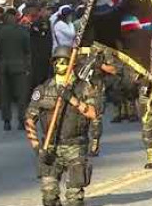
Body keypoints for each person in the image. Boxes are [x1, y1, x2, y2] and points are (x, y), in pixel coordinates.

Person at [24, 46, 102, 206]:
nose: (60, 66)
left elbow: (93, 113)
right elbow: (29, 119)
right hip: (51, 147)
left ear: (71, 65)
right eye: (57, 62)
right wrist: (37, 147)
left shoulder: (83, 87)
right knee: (49, 196)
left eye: (64, 62)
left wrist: (72, 99)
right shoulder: (43, 89)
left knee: (74, 199)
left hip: (75, 146)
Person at [0, 11, 30, 131]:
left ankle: (6, 121)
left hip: (4, 66)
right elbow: (27, 49)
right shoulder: (23, 31)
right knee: (21, 95)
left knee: (5, 95)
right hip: (20, 66)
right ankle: (21, 120)